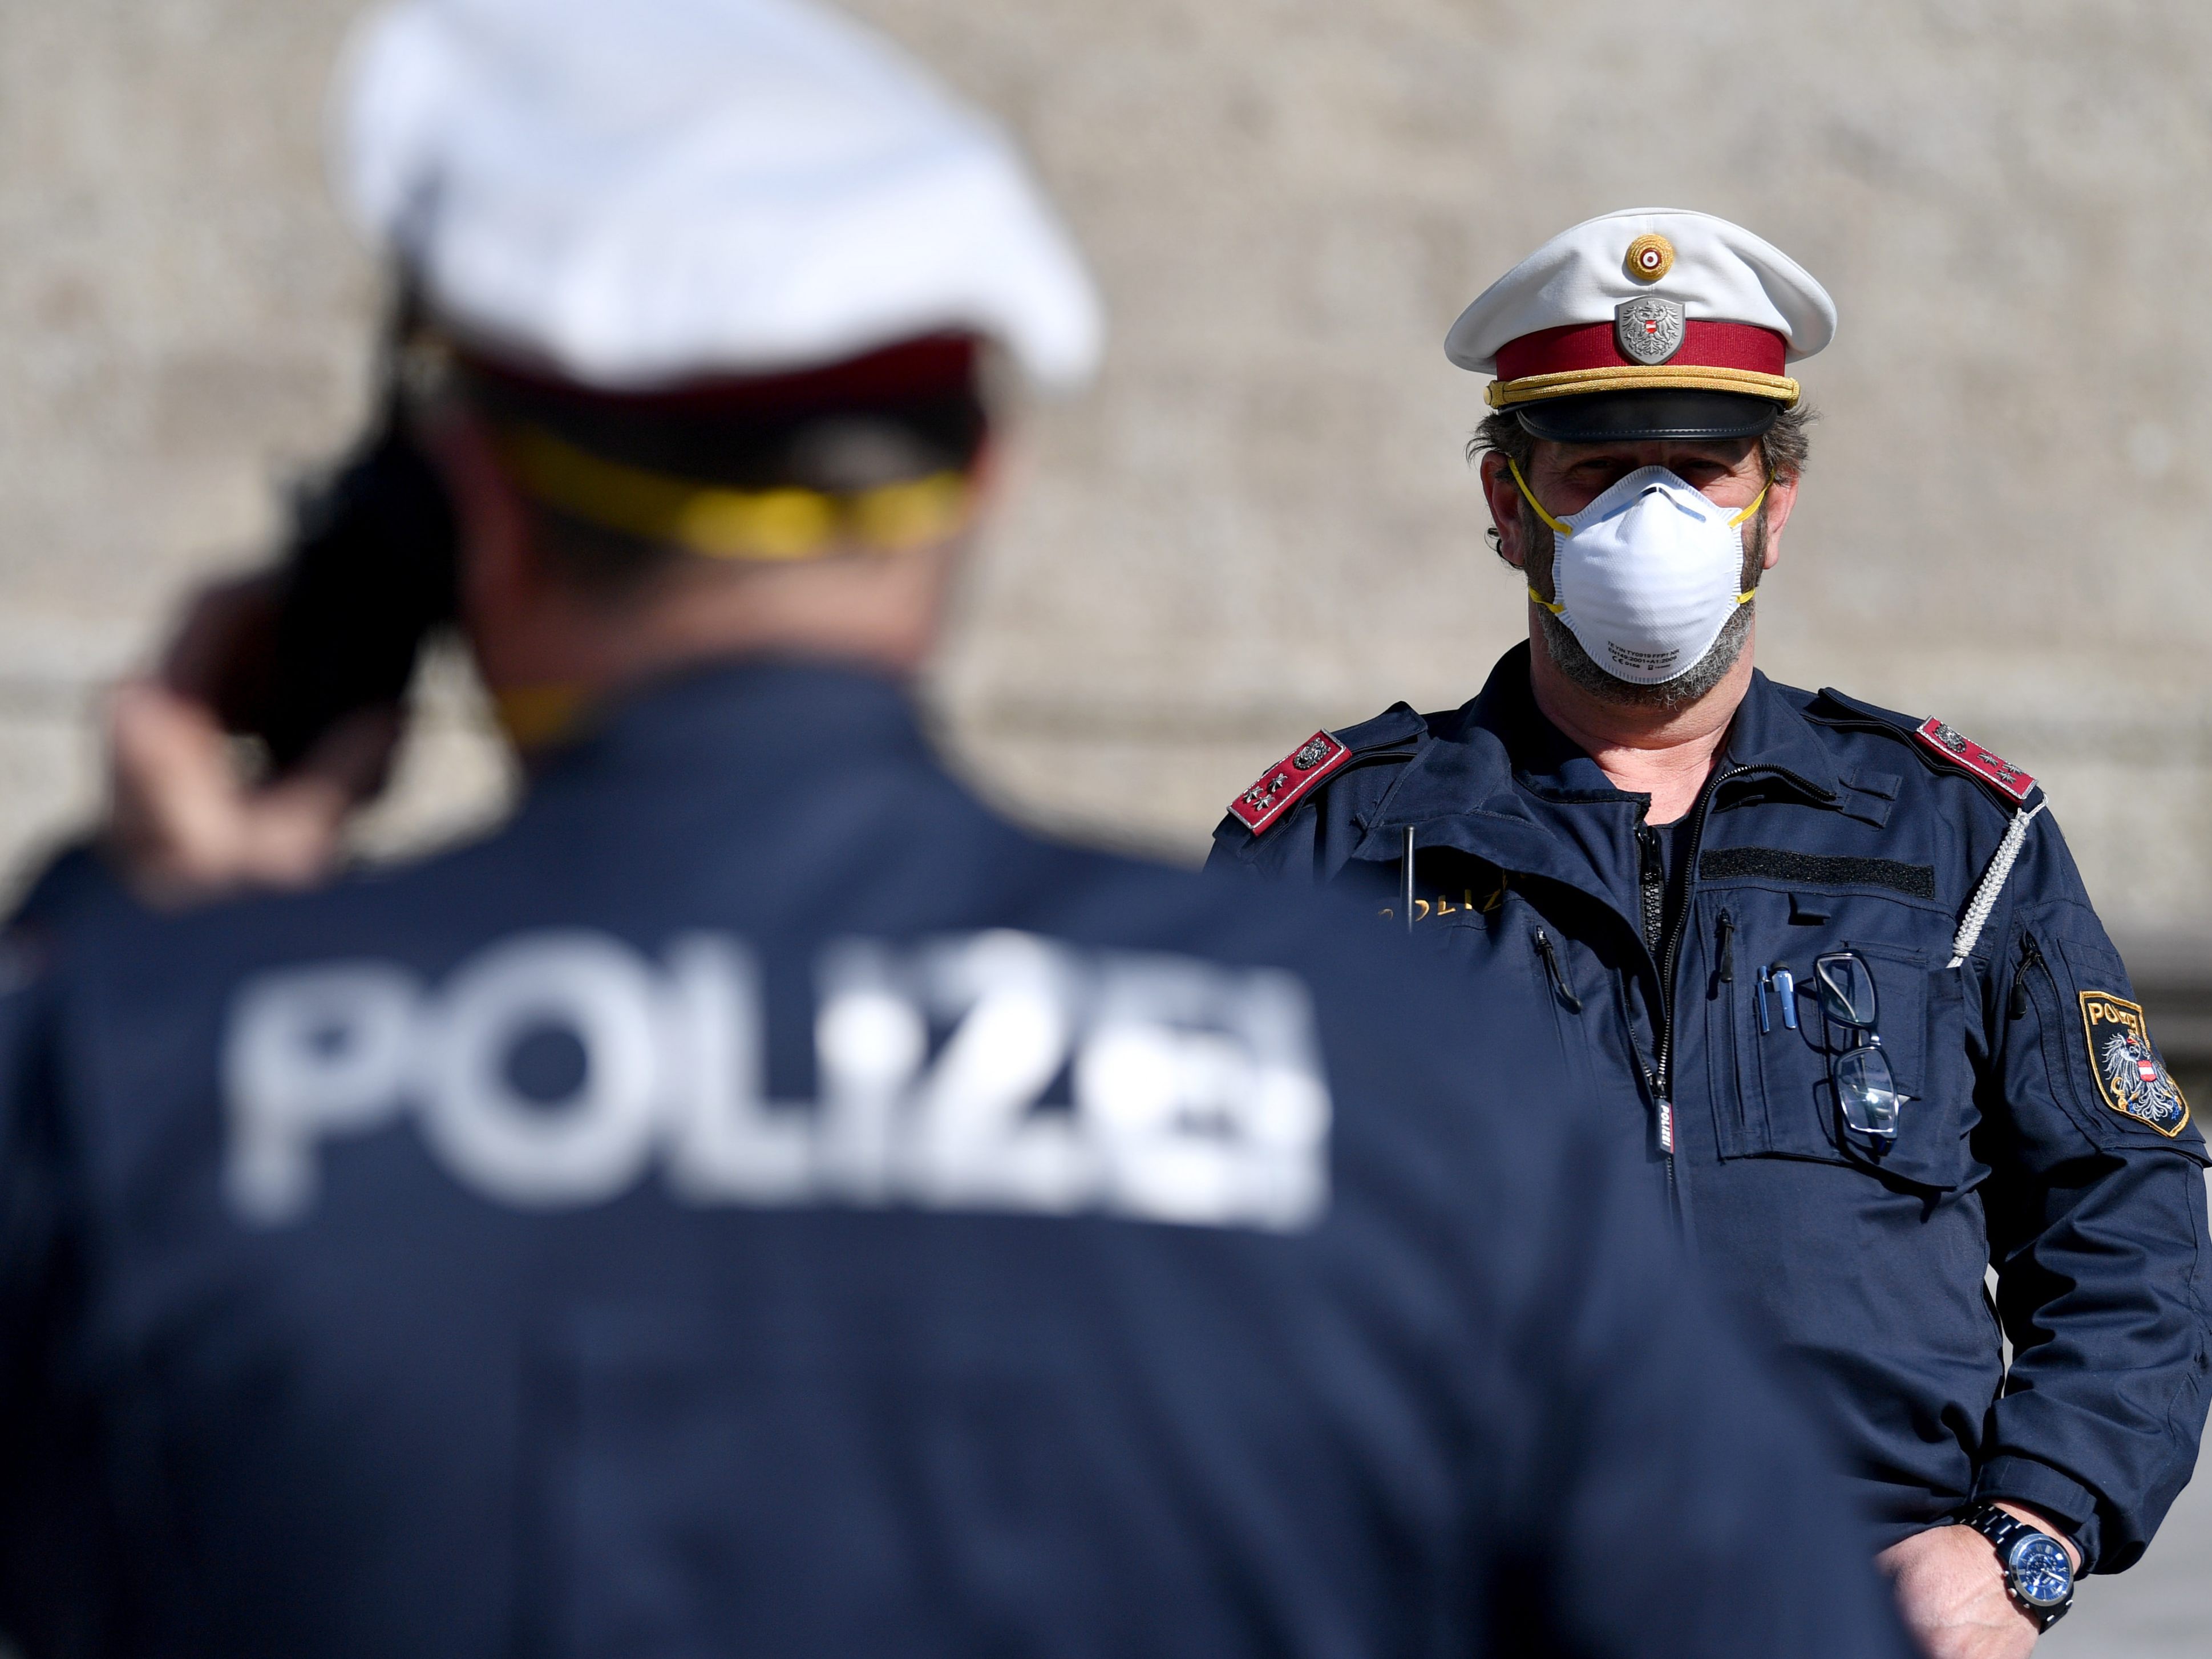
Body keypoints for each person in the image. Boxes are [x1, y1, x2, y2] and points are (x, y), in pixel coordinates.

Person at [0, 14, 1913, 1657]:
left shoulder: (143, 1085)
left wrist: (132, 946)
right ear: (979, 469)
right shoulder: (1418, 1089)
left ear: (459, 506)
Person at [1208, 207, 2212, 1655]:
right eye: (1600, 470)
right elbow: (1173, 1262)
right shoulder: (1330, 850)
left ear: (1774, 504)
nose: (1651, 513)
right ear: (1508, 503)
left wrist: (2027, 1539)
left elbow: (2128, 1209)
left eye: (1699, 468)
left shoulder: (1952, 837)